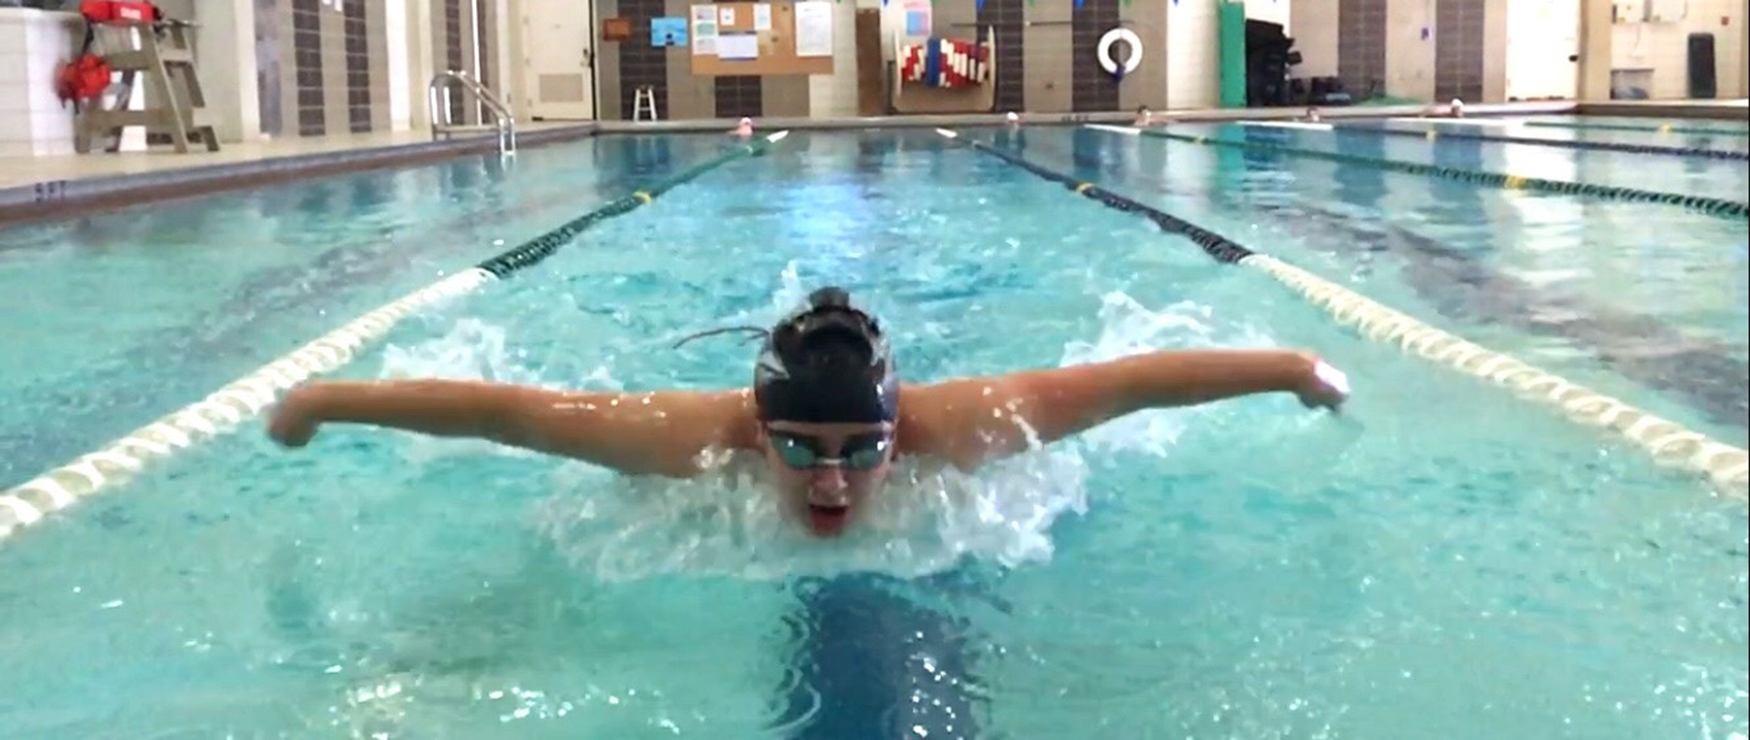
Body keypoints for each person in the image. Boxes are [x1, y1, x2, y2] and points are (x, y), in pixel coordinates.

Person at [268, 287, 1351, 537]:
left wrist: (1294, 364)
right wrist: (323, 399)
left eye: (858, 450)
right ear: (757, 424)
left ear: (897, 430)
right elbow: (510, 412)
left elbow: (1136, 380)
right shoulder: (686, 436)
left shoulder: (961, 425)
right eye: (799, 447)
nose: (830, 479)